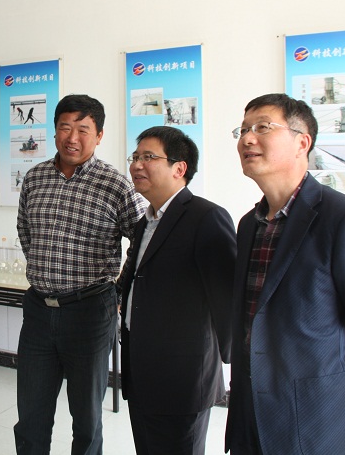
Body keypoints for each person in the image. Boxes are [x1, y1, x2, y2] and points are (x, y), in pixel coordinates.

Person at [224, 93, 345, 455]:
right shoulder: (249, 225)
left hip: (318, 420)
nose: (247, 139)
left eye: (263, 127)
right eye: (243, 130)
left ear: (302, 142)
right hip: (250, 414)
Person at [14, 94, 146, 454]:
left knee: (86, 417)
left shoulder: (115, 184)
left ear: (99, 135)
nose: (72, 138)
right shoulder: (35, 177)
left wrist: (120, 290)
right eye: (65, 128)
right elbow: (25, 231)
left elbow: (143, 240)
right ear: (55, 131)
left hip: (90, 312)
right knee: (30, 415)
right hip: (38, 311)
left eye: (83, 130)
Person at [119, 126, 236, 455]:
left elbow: (227, 299)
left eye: (148, 157)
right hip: (141, 370)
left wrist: (238, 370)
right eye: (135, 157)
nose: (137, 165)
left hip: (182, 378)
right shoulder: (145, 221)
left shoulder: (206, 217)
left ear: (179, 168)